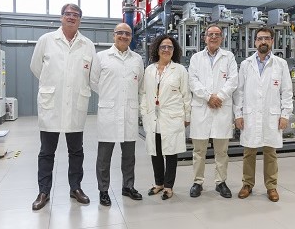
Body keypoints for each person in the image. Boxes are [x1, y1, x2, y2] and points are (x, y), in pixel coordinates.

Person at [30, 3, 97, 210]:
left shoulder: (88, 45)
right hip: (52, 104)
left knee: (76, 151)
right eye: (67, 14)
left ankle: (75, 188)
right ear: (61, 18)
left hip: (76, 104)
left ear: (80, 20)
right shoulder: (46, 40)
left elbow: (92, 75)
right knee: (47, 151)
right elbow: (36, 67)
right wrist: (54, 86)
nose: (71, 17)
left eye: (75, 15)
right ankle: (44, 192)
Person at [233, 27, 293, 202]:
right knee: (248, 152)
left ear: (272, 41)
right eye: (260, 39)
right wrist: (238, 114)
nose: (263, 42)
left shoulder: (280, 64)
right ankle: (247, 184)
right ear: (255, 42)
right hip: (250, 115)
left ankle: (271, 186)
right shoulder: (245, 65)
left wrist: (285, 115)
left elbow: (287, 92)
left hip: (271, 115)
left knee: (270, 152)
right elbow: (239, 92)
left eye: (267, 38)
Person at [90, 23, 144, 207]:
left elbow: (140, 84)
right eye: (120, 33)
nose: (123, 36)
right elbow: (93, 82)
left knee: (129, 156)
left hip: (129, 111)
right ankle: (103, 190)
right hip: (109, 111)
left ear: (131, 37)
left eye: (127, 33)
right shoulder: (101, 57)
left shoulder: (137, 59)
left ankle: (128, 186)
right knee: (104, 157)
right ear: (113, 35)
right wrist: (109, 97)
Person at [188, 24, 239, 198]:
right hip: (202, 107)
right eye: (210, 34)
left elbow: (233, 80)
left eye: (217, 34)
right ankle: (197, 182)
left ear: (222, 38)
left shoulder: (229, 57)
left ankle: (220, 182)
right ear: (205, 37)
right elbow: (193, 81)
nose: (214, 37)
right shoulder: (196, 58)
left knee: (222, 151)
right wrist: (209, 96)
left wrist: (220, 96)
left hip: (221, 108)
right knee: (199, 151)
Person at [140, 35, 191, 200]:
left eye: (170, 47)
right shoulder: (149, 70)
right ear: (157, 49)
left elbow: (186, 95)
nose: (166, 50)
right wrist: (143, 111)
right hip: (152, 117)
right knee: (155, 151)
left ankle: (168, 187)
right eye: (163, 46)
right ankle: (158, 183)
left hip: (173, 117)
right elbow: (144, 93)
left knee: (171, 152)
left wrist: (187, 115)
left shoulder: (180, 70)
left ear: (174, 50)